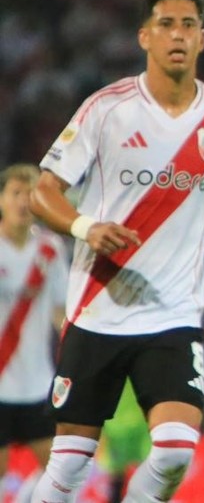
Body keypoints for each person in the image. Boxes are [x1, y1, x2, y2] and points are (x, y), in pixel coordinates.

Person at [28, 0, 204, 503]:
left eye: (188, 25)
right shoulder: (107, 109)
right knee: (68, 467)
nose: (178, 35)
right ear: (144, 37)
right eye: (166, 24)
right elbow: (42, 193)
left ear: (202, 39)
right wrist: (86, 227)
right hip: (98, 308)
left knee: (174, 453)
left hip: (173, 312)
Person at [0, 164, 68, 501]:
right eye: (16, 193)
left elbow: (60, 312)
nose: (23, 202)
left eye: (30, 194)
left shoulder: (50, 249)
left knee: (59, 476)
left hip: (39, 384)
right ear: (1, 199)